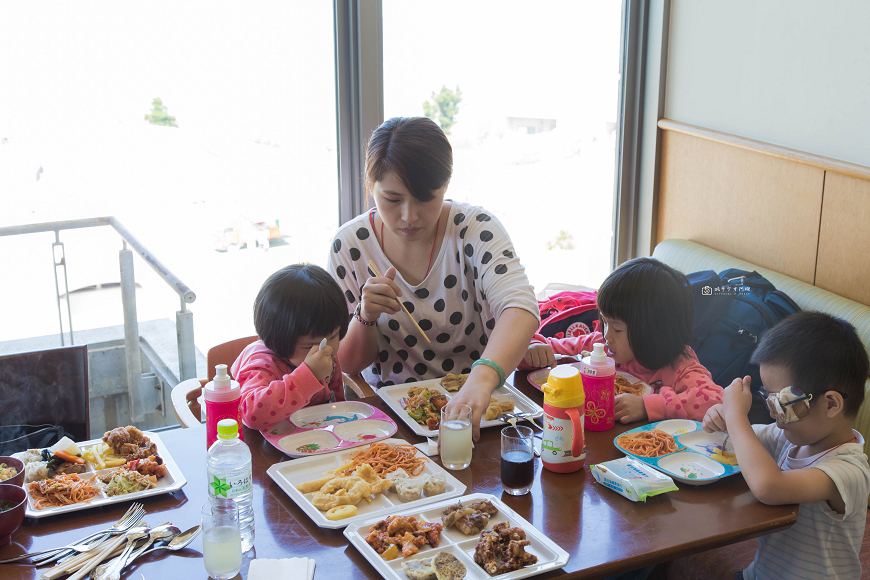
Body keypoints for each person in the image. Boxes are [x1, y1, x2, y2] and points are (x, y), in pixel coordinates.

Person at [329, 116, 540, 438]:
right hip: (388, 418)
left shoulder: (474, 228)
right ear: (370, 186)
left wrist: (481, 381)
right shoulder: (350, 245)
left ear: (445, 185)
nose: (409, 216)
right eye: (392, 199)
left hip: (478, 407)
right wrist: (365, 315)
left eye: (426, 198)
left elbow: (520, 307)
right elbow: (346, 363)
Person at [702, 311, 870, 580]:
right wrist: (721, 418)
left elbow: (769, 487)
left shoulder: (848, 471)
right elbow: (738, 443)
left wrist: (736, 417)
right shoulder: (788, 437)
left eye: (781, 404)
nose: (772, 414)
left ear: (830, 404)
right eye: (767, 400)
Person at [521, 257, 723, 423]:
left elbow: (717, 401)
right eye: (605, 322)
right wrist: (534, 347)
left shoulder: (679, 366)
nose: (607, 335)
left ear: (653, 330)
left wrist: (648, 406)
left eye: (617, 328)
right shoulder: (598, 344)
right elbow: (550, 350)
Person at [231, 264, 348, 431]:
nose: (326, 349)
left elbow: (336, 405)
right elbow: (251, 414)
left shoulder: (326, 354)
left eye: (334, 336)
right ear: (279, 340)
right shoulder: (261, 363)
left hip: (316, 441)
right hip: (267, 449)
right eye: (309, 346)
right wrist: (309, 376)